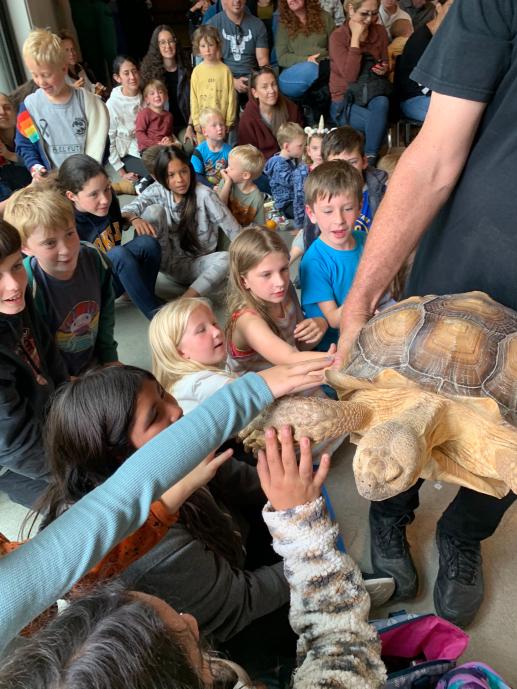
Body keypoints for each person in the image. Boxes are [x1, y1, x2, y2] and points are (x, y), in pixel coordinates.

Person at [337, 0, 517, 628]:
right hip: (463, 267)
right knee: (395, 405)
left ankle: (463, 534)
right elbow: (435, 153)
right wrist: (358, 302)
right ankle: (388, 512)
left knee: (506, 448)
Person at [0, 424, 387, 689]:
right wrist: (308, 540)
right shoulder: (159, 550)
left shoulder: (186, 478)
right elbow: (342, 648)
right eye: (187, 641)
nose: (188, 619)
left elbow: (249, 485)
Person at [0, 358, 336, 649]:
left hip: (236, 561)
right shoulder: (140, 547)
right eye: (155, 416)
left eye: (164, 393)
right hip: (232, 628)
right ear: (119, 455)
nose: (177, 412)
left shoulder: (185, 458)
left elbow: (251, 485)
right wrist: (313, 550)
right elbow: (240, 604)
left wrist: (289, 487)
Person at [4, 186, 118, 376]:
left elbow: (106, 312)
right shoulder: (27, 285)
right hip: (58, 376)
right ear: (25, 247)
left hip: (94, 361)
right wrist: (62, 378)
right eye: (50, 243)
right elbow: (37, 344)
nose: (66, 249)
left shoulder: (95, 258)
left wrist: (109, 357)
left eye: (70, 233)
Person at [0, 219, 68, 508]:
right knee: (87, 503)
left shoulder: (16, 297)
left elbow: (48, 351)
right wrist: (77, 472)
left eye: (17, 266)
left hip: (46, 419)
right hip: (13, 459)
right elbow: (15, 445)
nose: (13, 285)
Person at [121, 146, 240, 297]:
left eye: (183, 171)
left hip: (197, 265)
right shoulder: (157, 189)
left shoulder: (205, 194)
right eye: (171, 175)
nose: (180, 180)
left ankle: (186, 299)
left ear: (190, 169)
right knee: (153, 211)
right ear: (162, 177)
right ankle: (138, 281)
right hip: (165, 261)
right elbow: (125, 211)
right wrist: (134, 218)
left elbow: (236, 233)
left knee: (227, 259)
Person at [58, 154, 163, 321]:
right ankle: (160, 320)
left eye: (107, 188)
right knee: (118, 254)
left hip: (111, 275)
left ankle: (141, 295)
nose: (105, 199)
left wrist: (132, 217)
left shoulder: (110, 201)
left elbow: (113, 223)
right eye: (94, 194)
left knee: (148, 243)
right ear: (72, 196)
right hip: (88, 294)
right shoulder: (65, 225)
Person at [226, 227, 329, 377]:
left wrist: (321, 324)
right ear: (244, 281)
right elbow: (289, 358)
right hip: (259, 394)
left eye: (284, 269)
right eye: (266, 274)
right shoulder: (246, 320)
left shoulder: (285, 292)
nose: (280, 282)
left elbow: (299, 345)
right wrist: (341, 357)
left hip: (290, 375)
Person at [15, 28, 108, 179]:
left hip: (86, 181)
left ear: (64, 68)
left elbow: (102, 142)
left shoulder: (88, 104)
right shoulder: (29, 108)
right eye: (35, 75)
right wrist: (35, 165)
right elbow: (26, 142)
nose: (41, 82)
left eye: (46, 75)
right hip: (53, 184)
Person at [299, 160, 366, 353]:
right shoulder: (314, 262)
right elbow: (335, 320)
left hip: (368, 335)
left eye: (348, 208)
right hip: (335, 351)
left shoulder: (365, 240)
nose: (339, 220)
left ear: (360, 207)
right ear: (311, 213)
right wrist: (368, 294)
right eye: (328, 211)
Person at [329, 0, 390, 164]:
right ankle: (371, 160)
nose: (370, 19)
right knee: (376, 122)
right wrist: (355, 38)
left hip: (371, 92)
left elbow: (385, 61)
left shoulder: (380, 31)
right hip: (344, 100)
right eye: (364, 13)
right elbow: (350, 76)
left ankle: (368, 159)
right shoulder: (338, 37)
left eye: (374, 13)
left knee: (382, 103)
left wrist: (384, 68)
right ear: (351, 10)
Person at [149, 297, 234, 414]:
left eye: (214, 323)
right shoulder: (199, 382)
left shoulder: (183, 381)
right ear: (180, 352)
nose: (217, 332)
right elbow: (250, 390)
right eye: (201, 330)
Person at [394, 0, 453, 123]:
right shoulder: (420, 39)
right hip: (414, 98)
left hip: (435, 96)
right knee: (453, 119)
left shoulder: (448, 36)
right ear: (438, 7)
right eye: (451, 6)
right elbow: (423, 83)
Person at [140, 25, 196, 150]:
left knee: (189, 147)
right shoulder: (150, 73)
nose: (168, 46)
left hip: (184, 124)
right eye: (162, 42)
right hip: (161, 129)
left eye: (171, 41)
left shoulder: (186, 69)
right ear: (157, 46)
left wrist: (190, 126)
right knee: (166, 151)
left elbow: (195, 101)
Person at [207, 0, 269, 107]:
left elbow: (263, 61)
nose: (237, 1)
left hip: (252, 76)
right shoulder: (213, 24)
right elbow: (210, 62)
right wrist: (232, 81)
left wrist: (258, 82)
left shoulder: (258, 25)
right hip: (225, 76)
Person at [276, 0, 334, 108]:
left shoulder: (325, 17)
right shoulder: (284, 23)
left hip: (323, 67)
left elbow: (335, 49)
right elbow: (282, 58)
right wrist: (307, 59)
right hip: (292, 74)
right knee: (311, 68)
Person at [238, 65, 303, 161]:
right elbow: (247, 155)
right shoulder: (248, 118)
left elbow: (300, 142)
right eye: (265, 87)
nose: (271, 90)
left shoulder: (290, 108)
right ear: (254, 92)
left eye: (273, 84)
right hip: (262, 168)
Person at [190, 25, 237, 137]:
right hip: (203, 125)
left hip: (220, 125)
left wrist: (229, 121)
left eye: (211, 45)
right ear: (198, 48)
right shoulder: (197, 72)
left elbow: (231, 97)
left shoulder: (225, 70)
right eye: (203, 46)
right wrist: (196, 122)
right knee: (205, 152)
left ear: (217, 45)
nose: (207, 49)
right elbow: (194, 99)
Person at [106, 55, 147, 181]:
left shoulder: (145, 95)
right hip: (128, 153)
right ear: (117, 78)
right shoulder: (112, 105)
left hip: (148, 147)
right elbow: (109, 142)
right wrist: (123, 173)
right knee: (156, 174)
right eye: (126, 73)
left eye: (134, 71)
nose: (132, 77)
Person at [264, 121, 305, 219]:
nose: (303, 148)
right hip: (286, 204)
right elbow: (292, 182)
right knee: (305, 214)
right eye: (300, 146)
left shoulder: (289, 160)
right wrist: (304, 167)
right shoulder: (279, 164)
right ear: (286, 146)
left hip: (294, 200)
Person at [217, 144, 266, 225]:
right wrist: (227, 184)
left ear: (245, 175)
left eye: (231, 168)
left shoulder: (256, 198)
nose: (226, 169)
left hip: (241, 235)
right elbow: (218, 208)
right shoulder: (226, 181)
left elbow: (260, 226)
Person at [0, 92, 31, 204]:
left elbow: (42, 163)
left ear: (15, 111)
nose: (2, 112)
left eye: (7, 108)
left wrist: (8, 154)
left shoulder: (29, 129)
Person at [191, 107, 232, 187]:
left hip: (225, 187)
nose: (219, 128)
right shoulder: (199, 152)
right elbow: (196, 176)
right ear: (204, 131)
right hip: (205, 188)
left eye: (221, 124)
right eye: (214, 125)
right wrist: (212, 187)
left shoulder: (230, 150)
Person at [58, 29, 106, 97]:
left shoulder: (79, 67)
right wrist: (73, 90)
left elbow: (89, 88)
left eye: (73, 49)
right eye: (66, 50)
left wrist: (97, 89)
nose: (71, 53)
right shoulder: (60, 75)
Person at [135, 79, 178, 153]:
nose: (157, 95)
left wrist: (168, 139)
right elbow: (139, 133)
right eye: (152, 93)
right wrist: (157, 144)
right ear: (147, 99)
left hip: (164, 148)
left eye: (160, 92)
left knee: (177, 156)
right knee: (161, 160)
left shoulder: (169, 116)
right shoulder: (144, 113)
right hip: (148, 148)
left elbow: (169, 134)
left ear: (166, 96)